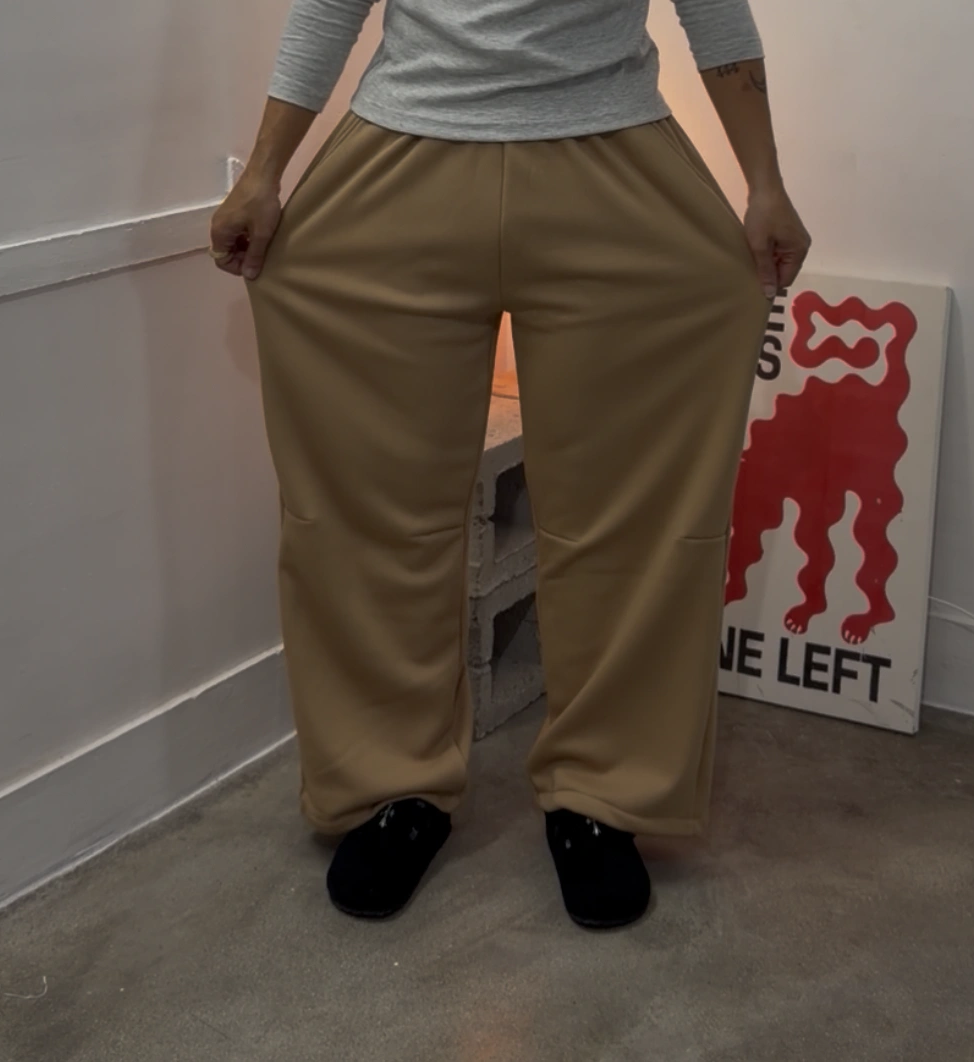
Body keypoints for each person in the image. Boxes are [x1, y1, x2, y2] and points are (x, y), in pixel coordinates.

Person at [210, 0, 810, 930]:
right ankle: (392, 786)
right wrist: (263, 174)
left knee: (630, 514)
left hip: (614, 158)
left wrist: (764, 182)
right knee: (371, 509)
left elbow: (714, 10)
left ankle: (602, 796)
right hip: (400, 155)